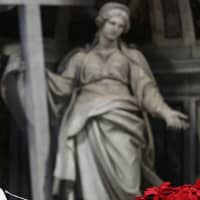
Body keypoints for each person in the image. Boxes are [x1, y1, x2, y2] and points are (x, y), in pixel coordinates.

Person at [1, 2, 188, 200]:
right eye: (112, 23)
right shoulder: (81, 58)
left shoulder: (130, 57)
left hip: (122, 117)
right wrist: (34, 72)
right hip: (85, 119)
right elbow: (61, 86)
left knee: (128, 175)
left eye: (120, 26)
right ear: (101, 23)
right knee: (88, 176)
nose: (115, 29)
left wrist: (166, 112)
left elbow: (146, 89)